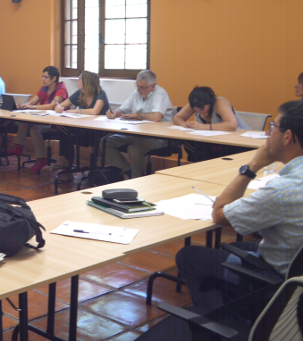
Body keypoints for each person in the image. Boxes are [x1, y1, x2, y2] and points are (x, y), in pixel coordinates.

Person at [175, 100, 303, 312]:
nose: (269, 134)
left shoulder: (282, 190)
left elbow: (219, 214)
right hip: (295, 270)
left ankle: (219, 326)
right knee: (241, 247)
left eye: (273, 128)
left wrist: (252, 167)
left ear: (288, 136)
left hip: (278, 279)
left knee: (187, 256)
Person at [104, 70, 174, 179]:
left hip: (157, 137)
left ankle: (136, 178)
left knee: (135, 150)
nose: (138, 89)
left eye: (142, 87)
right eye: (137, 85)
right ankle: (126, 171)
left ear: (153, 87)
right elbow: (122, 109)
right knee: (106, 142)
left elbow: (157, 117)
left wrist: (137, 115)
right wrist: (114, 113)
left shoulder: (160, 94)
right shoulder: (136, 93)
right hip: (136, 133)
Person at [7, 66, 68, 173]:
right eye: (42, 76)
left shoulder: (61, 89)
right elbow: (32, 101)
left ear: (54, 78)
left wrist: (33, 107)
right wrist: (24, 105)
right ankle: (19, 146)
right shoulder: (43, 88)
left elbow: (51, 106)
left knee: (34, 129)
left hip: (56, 123)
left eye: (46, 77)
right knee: (24, 120)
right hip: (42, 119)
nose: (43, 79)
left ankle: (40, 158)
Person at [49, 70, 110, 173]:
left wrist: (76, 110)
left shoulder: (100, 93)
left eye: (80, 78)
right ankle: (66, 162)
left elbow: (95, 111)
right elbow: (59, 106)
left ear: (87, 81)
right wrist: (58, 108)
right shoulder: (79, 93)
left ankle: (66, 163)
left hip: (99, 133)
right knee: (64, 129)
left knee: (67, 132)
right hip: (84, 131)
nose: (77, 80)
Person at [173, 86, 250, 162]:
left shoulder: (220, 103)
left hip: (239, 143)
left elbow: (232, 125)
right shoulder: (195, 103)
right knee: (190, 144)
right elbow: (177, 117)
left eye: (202, 108)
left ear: (210, 102)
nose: (199, 111)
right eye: (195, 109)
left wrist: (203, 127)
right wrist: (184, 124)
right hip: (215, 143)